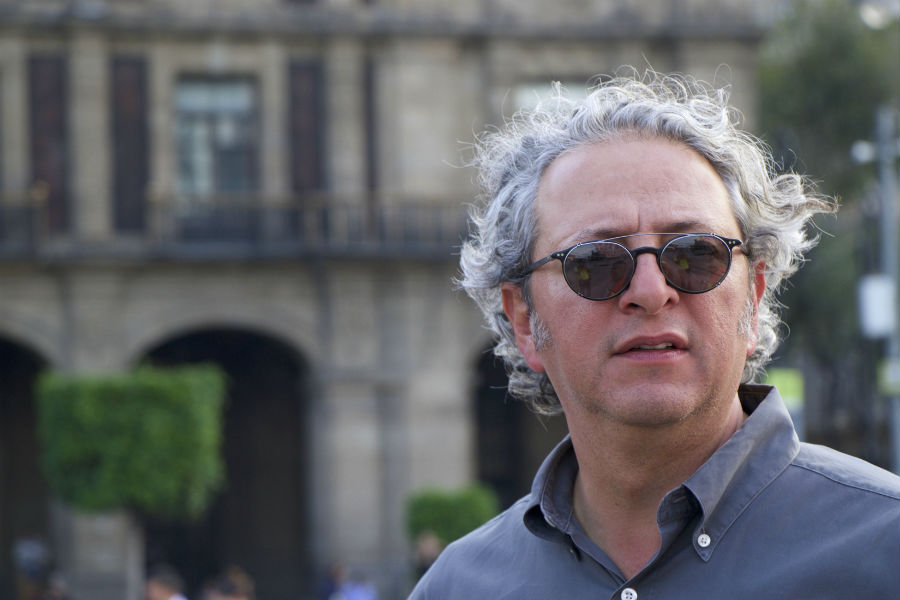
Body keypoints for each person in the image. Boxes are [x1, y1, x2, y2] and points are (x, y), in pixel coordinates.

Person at [408, 70, 900, 598]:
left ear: (754, 298)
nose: (650, 289)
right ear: (525, 318)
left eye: (695, 254)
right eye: (595, 262)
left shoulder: (884, 551)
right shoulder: (457, 588)